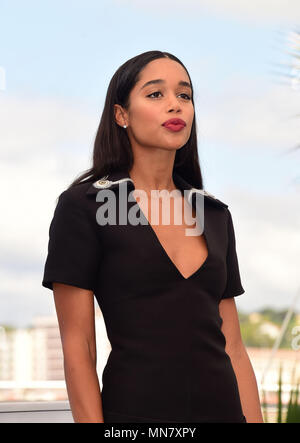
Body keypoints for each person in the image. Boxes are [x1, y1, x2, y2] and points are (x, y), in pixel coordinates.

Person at [42, 50, 263, 423]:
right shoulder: (85, 206)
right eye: (156, 94)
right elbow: (78, 347)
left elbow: (234, 347)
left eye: (184, 95)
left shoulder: (214, 214)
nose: (175, 105)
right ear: (121, 115)